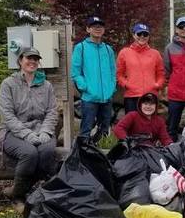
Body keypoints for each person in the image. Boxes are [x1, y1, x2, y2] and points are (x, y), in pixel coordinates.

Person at [0, 47, 58, 213]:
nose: (32, 61)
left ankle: (24, 190)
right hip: (12, 132)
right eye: (28, 58)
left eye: (36, 59)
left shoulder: (46, 85)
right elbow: (7, 116)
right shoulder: (8, 84)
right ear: (20, 61)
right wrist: (27, 134)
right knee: (29, 153)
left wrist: (45, 131)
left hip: (41, 129)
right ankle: (17, 196)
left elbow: (52, 111)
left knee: (46, 152)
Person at [71, 15, 117, 144]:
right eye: (94, 26)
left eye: (100, 26)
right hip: (89, 98)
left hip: (106, 98)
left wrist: (112, 87)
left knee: (104, 130)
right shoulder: (81, 47)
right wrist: (84, 87)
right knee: (86, 130)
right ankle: (83, 152)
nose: (98, 28)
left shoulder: (108, 49)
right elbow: (75, 72)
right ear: (88, 29)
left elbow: (113, 71)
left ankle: (98, 152)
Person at [116, 23, 165, 114]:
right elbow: (119, 74)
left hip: (150, 96)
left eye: (145, 34)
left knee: (149, 123)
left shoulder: (155, 54)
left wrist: (157, 85)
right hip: (131, 96)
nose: (142, 36)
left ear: (148, 36)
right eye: (139, 34)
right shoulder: (124, 53)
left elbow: (161, 74)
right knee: (132, 122)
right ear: (134, 35)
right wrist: (126, 85)